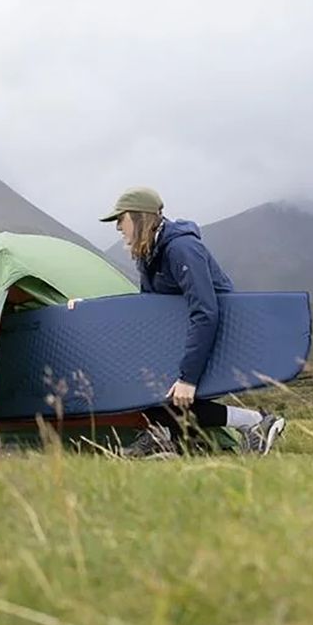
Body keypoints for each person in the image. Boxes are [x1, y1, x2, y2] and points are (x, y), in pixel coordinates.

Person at [99, 186, 286, 457]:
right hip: (183, 334)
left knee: (176, 394)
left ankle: (255, 421)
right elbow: (152, 310)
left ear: (140, 218)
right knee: (143, 383)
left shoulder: (182, 249)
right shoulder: (148, 254)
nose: (117, 226)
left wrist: (188, 377)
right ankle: (168, 439)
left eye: (121, 218)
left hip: (212, 334)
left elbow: (206, 312)